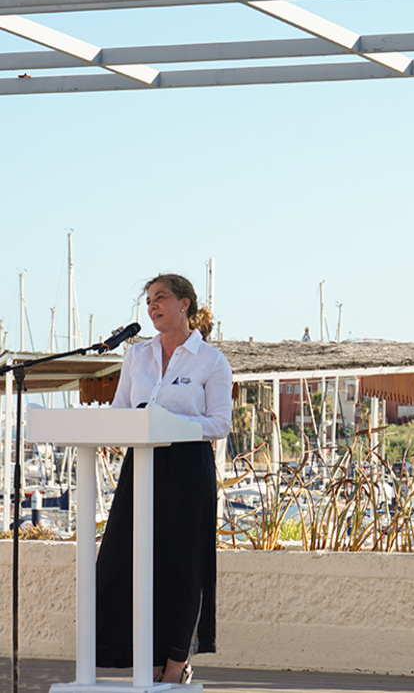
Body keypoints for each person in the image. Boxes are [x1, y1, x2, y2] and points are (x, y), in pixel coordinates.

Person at [97, 273, 232, 685]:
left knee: (180, 566)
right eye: (149, 300)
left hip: (188, 469)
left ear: (185, 304)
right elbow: (121, 409)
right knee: (126, 563)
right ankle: (147, 660)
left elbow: (220, 423)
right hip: (141, 465)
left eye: (161, 298)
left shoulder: (211, 361)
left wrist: (169, 423)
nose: (153, 306)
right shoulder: (136, 356)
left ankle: (175, 665)